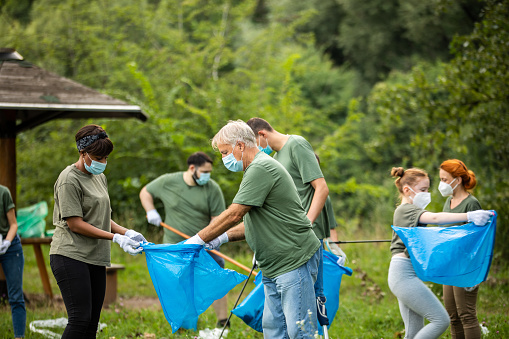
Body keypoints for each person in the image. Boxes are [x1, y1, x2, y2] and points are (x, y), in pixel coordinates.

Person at [186, 120, 321, 338]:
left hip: (293, 260)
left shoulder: (261, 167)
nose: (224, 159)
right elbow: (251, 223)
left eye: (225, 152)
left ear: (240, 146)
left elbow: (234, 213)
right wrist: (220, 238)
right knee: (274, 329)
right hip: (272, 266)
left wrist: (198, 239)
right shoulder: (253, 169)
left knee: (299, 330)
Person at [50, 124, 146, 338]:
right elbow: (75, 223)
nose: (102, 163)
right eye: (98, 157)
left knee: (92, 321)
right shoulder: (69, 179)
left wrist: (127, 231)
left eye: (105, 158)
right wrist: (116, 238)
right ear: (82, 153)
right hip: (70, 254)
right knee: (79, 319)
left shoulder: (99, 177)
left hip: (96, 256)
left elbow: (101, 217)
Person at [388, 167, 492, 339]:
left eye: (427, 189)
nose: (427, 193)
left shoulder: (409, 210)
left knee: (413, 332)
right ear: (407, 190)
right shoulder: (406, 210)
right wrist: (469, 216)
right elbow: (435, 218)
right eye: (423, 190)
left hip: (406, 274)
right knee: (441, 320)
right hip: (403, 274)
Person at [246, 117, 330, 323]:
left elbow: (321, 188)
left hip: (305, 239)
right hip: (286, 241)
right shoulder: (274, 157)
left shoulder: (296, 145)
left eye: (253, 143)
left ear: (262, 135)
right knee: (284, 316)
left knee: (308, 310)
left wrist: (307, 224)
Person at [139, 151, 229, 327]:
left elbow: (217, 220)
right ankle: (184, 324)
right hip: (175, 245)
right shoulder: (168, 181)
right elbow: (145, 192)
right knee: (178, 283)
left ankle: (223, 321)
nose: (207, 176)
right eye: (204, 172)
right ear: (192, 168)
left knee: (217, 276)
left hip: (204, 245)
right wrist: (151, 210)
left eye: (209, 172)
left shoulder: (212, 188)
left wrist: (205, 239)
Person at [439, 159, 483, 339]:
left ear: (457, 180)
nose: (441, 184)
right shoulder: (448, 202)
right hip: (449, 266)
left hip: (464, 268)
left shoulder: (471, 204)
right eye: (440, 179)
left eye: (444, 179)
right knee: (453, 316)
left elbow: (478, 241)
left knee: (466, 315)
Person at [0, 184, 25, 339]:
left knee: (15, 296)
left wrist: (7, 242)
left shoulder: (3, 192)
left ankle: (19, 336)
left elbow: (13, 224)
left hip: (10, 246)